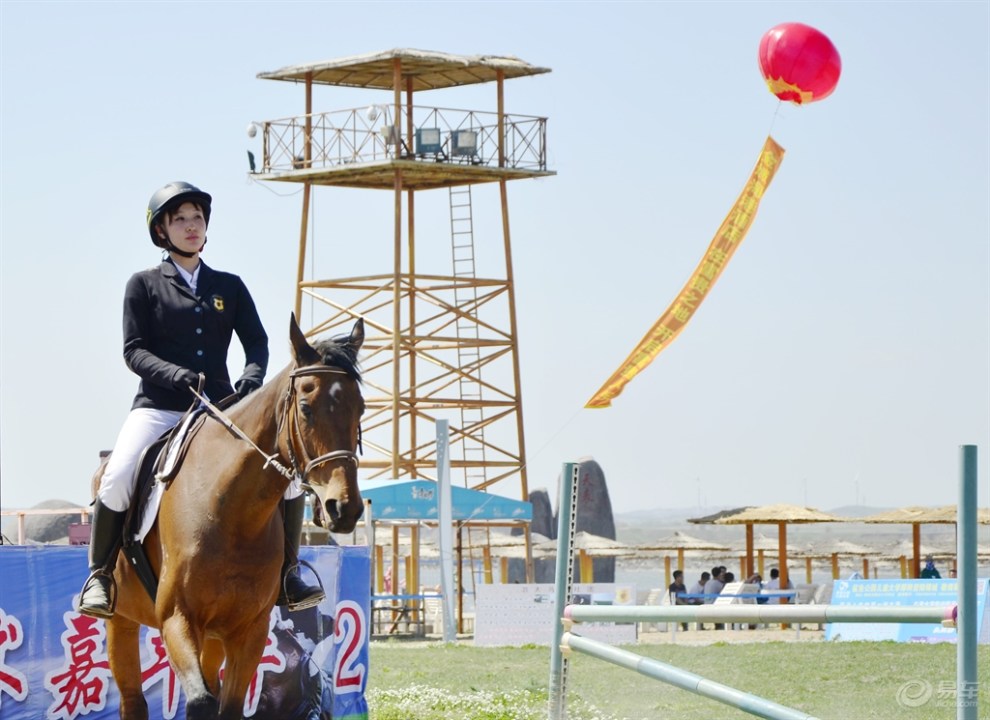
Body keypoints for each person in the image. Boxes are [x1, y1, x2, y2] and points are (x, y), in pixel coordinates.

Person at [77, 181, 323, 618]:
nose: (192, 227)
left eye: (197, 218)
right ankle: (100, 576)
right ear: (162, 231)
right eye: (180, 220)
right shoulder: (144, 285)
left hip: (219, 409)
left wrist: (251, 378)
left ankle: (289, 573)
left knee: (284, 476)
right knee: (116, 477)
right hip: (158, 407)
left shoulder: (228, 285)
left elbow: (258, 343)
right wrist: (176, 376)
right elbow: (133, 350)